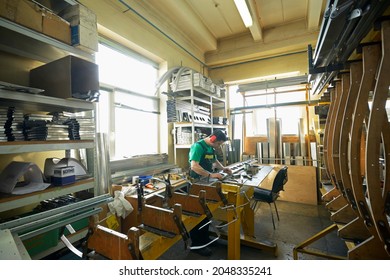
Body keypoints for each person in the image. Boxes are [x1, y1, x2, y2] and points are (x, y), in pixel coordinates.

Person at [188, 129, 232, 256]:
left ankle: (205, 239)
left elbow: (213, 161)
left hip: (206, 182)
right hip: (196, 183)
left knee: (206, 213)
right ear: (213, 139)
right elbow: (194, 166)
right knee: (198, 215)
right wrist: (212, 175)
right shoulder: (198, 146)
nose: (218, 146)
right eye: (218, 144)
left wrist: (223, 168)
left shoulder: (210, 148)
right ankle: (196, 245)